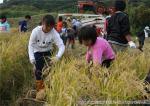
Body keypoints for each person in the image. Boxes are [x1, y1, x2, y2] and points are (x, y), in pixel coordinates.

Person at [28, 15, 65, 95]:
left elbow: (61, 45)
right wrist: (31, 58)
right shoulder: (35, 31)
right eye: (47, 27)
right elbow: (30, 45)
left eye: (50, 27)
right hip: (37, 52)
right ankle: (40, 90)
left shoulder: (53, 32)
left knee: (49, 71)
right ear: (43, 23)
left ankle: (48, 88)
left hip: (48, 52)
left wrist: (58, 57)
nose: (48, 29)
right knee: (38, 72)